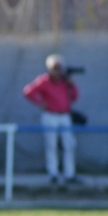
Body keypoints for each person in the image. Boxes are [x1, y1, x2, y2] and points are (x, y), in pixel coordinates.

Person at [23, 54, 80, 184]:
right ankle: (53, 174)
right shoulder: (44, 80)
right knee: (51, 145)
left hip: (64, 116)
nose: (57, 71)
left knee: (69, 145)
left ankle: (69, 174)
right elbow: (28, 91)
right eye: (54, 68)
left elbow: (75, 97)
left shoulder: (65, 82)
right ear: (49, 69)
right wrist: (40, 102)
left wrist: (72, 84)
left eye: (59, 68)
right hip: (50, 116)